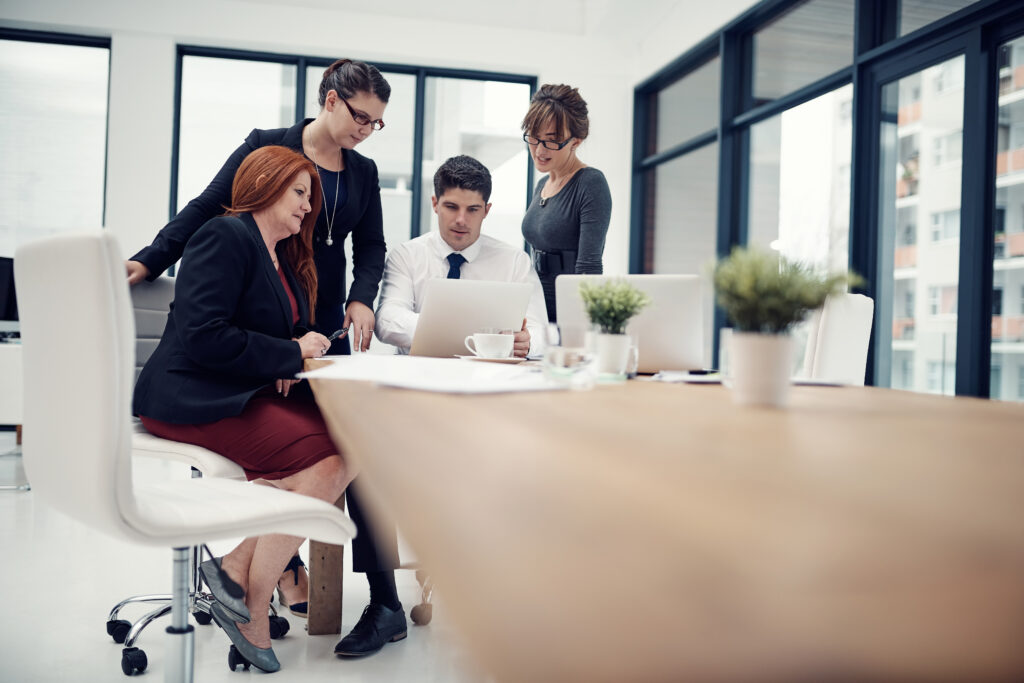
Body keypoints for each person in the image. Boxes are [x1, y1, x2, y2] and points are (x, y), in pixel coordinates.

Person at [126, 59, 404, 658]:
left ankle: (272, 587)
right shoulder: (262, 167)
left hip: (306, 322)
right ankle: (265, 585)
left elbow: (372, 247)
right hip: (259, 342)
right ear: (329, 100)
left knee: (346, 433)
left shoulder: (358, 176)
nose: (366, 130)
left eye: (377, 124)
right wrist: (151, 259)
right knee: (321, 450)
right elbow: (205, 210)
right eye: (361, 117)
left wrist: (358, 300)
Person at [133, 146, 353, 672]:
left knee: (353, 437)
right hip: (188, 394)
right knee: (327, 461)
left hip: (236, 389)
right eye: (300, 192)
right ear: (266, 183)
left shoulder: (279, 256)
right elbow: (206, 337)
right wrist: (288, 351)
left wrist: (292, 347)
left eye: (311, 198)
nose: (307, 207)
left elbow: (253, 330)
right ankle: (250, 606)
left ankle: (234, 573)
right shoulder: (224, 235)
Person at [374, 155, 548, 357]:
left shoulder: (515, 262)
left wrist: (527, 344)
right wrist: (457, 330)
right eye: (451, 207)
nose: (461, 220)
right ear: (435, 204)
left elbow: (541, 334)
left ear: (486, 211)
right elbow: (386, 320)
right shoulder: (407, 255)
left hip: (487, 378)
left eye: (472, 210)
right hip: (417, 373)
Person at [520, 84, 612, 322]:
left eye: (551, 141)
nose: (539, 150)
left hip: (567, 313)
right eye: (534, 137)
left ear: (576, 141)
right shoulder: (542, 185)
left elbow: (589, 267)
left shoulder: (590, 183)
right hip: (534, 308)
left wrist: (579, 331)